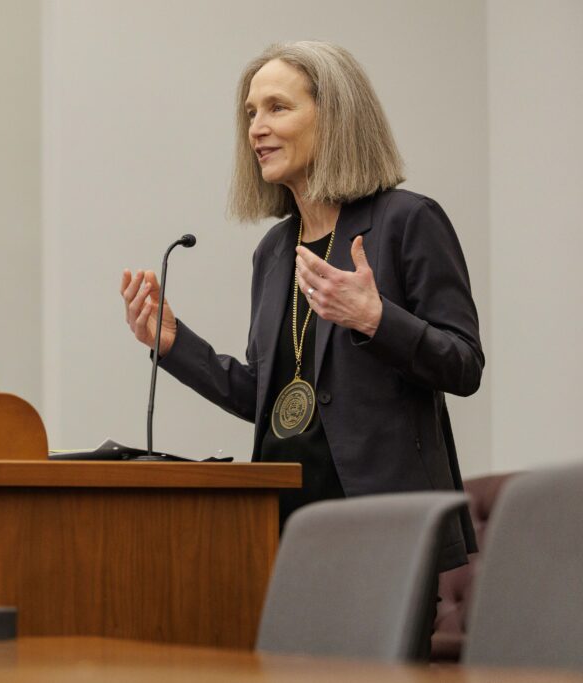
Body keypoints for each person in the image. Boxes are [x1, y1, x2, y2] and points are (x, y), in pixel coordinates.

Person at [119, 41, 482, 578]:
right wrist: (173, 345)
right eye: (250, 113)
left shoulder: (407, 221)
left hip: (386, 528)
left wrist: (376, 318)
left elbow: (464, 363)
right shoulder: (273, 251)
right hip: (286, 526)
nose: (256, 129)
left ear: (334, 116)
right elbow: (266, 398)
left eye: (277, 108)